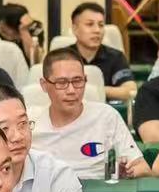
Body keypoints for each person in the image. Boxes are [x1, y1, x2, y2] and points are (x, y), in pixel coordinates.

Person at [30, 47, 151, 180]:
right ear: (44, 85)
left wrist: (126, 172)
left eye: (77, 81)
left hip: (97, 189)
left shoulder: (106, 116)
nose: (71, 90)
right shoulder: (29, 123)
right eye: (62, 83)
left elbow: (143, 167)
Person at [70, 1, 137, 100]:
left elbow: (130, 91)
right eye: (90, 24)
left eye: (101, 25)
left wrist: (95, 90)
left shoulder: (116, 57)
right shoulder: (62, 57)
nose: (97, 30)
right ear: (75, 29)